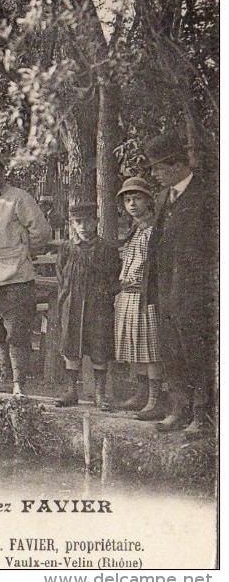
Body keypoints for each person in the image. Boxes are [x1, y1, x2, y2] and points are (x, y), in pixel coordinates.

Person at [144, 130, 216, 435]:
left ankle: (202, 414)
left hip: (195, 292)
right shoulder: (164, 197)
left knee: (196, 351)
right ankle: (179, 408)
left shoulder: (207, 194)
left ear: (176, 165)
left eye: (158, 168)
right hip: (165, 290)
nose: (155, 174)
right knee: (172, 351)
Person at [0, 151, 51, 394]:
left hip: (16, 278)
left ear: (3, 173)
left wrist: (25, 252)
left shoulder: (19, 198)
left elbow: (41, 231)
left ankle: (20, 384)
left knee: (16, 333)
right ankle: (4, 379)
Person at [54, 203, 120, 409]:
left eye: (88, 221)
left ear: (96, 222)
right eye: (78, 222)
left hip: (98, 305)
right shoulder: (66, 247)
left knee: (99, 346)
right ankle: (71, 390)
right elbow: (60, 273)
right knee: (71, 346)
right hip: (72, 303)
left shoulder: (106, 249)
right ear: (72, 224)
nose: (83, 226)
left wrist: (103, 295)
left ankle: (99, 394)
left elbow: (114, 277)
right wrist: (66, 296)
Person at [111, 177, 164, 419]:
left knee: (150, 348)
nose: (132, 204)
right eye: (128, 199)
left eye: (137, 198)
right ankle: (141, 394)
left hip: (146, 295)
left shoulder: (155, 230)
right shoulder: (133, 231)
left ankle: (155, 400)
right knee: (134, 346)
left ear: (148, 200)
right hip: (128, 294)